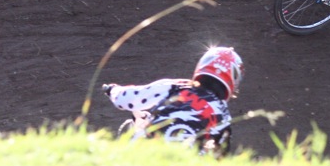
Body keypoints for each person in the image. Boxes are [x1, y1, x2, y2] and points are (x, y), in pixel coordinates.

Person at [102, 46, 243, 155]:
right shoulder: (223, 116)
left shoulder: (177, 86)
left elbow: (128, 99)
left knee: (140, 117)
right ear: (234, 81)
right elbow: (220, 156)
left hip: (143, 154)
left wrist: (113, 90)